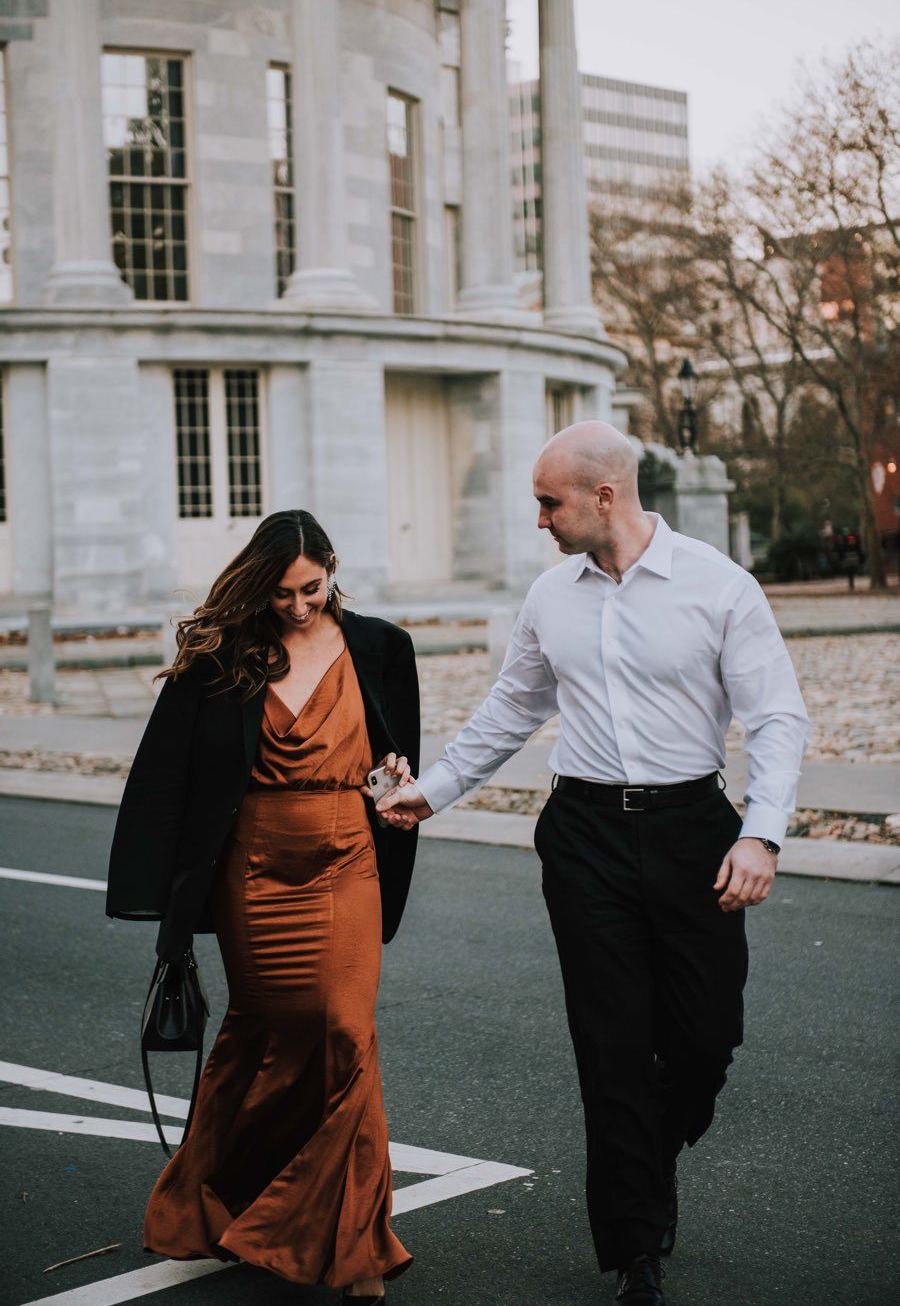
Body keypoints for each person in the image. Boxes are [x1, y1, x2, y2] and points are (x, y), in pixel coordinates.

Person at [378, 423, 809, 1305]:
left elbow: (776, 719)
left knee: (704, 1036)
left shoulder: (720, 587)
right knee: (610, 1046)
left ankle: (644, 1160)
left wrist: (760, 834)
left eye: (549, 502)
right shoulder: (549, 597)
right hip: (583, 836)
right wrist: (438, 789)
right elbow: (512, 707)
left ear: (604, 496)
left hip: (694, 828)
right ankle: (635, 1248)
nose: (538, 519)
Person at [106, 510, 420, 1303]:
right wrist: (164, 906)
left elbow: (394, 756)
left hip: (349, 855)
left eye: (311, 588)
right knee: (271, 1031)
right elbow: (167, 776)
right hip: (255, 868)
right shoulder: (222, 654)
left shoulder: (381, 646)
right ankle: (231, 1193)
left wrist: (400, 783)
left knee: (346, 1029)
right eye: (281, 592)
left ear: (333, 571)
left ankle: (354, 1243)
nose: (299, 605)